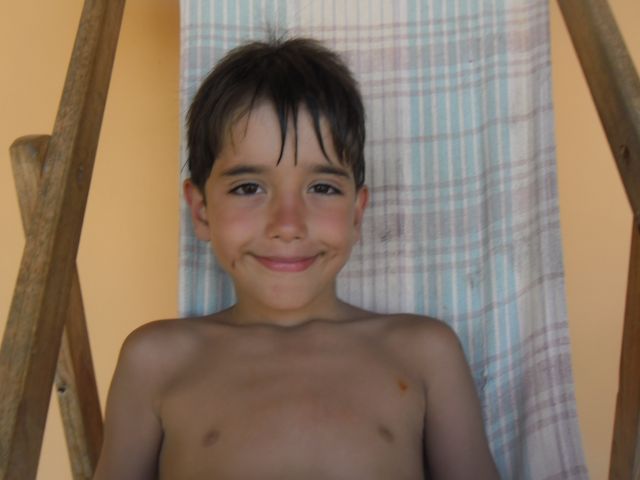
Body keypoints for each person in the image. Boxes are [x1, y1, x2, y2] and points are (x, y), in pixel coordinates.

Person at [94, 36, 499, 480]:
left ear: (357, 212)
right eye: (248, 187)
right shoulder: (156, 361)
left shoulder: (423, 353)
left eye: (322, 187)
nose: (287, 224)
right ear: (201, 210)